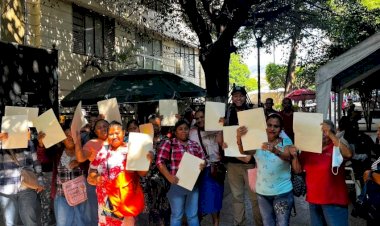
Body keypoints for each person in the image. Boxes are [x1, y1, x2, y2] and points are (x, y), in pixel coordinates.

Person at [236, 113, 298, 226]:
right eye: (269, 125)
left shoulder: (286, 142)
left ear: (281, 129)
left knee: (282, 224)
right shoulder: (258, 142)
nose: (272, 128)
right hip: (262, 193)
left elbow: (288, 157)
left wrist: (274, 150)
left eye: (276, 126)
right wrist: (239, 137)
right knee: (267, 223)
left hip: (282, 192)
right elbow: (244, 151)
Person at [88, 121, 151, 226]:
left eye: (117, 133)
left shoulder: (131, 150)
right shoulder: (102, 151)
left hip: (125, 201)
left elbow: (142, 173)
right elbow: (91, 173)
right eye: (111, 134)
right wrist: (96, 177)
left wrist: (147, 161)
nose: (114, 136)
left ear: (124, 132)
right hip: (105, 201)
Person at [222, 85, 263, 226]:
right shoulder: (227, 113)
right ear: (232, 98)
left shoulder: (252, 112)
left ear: (245, 97)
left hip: (250, 163)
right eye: (235, 96)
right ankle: (239, 223)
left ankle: (260, 223)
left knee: (255, 198)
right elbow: (224, 135)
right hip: (232, 163)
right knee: (237, 197)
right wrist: (223, 142)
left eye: (241, 95)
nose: (238, 98)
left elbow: (259, 135)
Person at [299, 120, 353, 226]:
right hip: (314, 201)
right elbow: (298, 169)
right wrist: (294, 155)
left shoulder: (336, 146)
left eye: (324, 131)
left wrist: (331, 135)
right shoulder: (309, 149)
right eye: (319, 132)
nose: (322, 135)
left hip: (334, 201)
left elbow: (348, 154)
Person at [156, 120, 206, 226]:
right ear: (175, 131)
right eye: (180, 129)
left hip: (193, 185)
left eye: (186, 129)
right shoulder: (170, 143)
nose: (184, 131)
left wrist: (203, 164)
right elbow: (160, 161)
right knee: (177, 215)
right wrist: (169, 176)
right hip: (176, 185)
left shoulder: (194, 144)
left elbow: (203, 159)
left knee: (192, 215)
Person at [0, 130, 44, 226]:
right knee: (9, 223)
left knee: (30, 221)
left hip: (26, 186)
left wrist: (40, 181)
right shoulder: (1, 142)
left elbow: (36, 162)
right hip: (6, 189)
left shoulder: (28, 141)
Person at [189, 109, 224, 226]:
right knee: (200, 200)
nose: (199, 120)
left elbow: (225, 146)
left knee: (215, 199)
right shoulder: (192, 132)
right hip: (200, 169)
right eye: (197, 118)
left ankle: (216, 222)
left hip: (215, 169)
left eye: (202, 117)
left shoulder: (218, 129)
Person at [74, 118, 110, 226]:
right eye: (99, 127)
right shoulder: (92, 143)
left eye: (105, 126)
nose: (103, 129)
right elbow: (80, 158)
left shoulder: (117, 142)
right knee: (96, 216)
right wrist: (77, 141)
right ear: (95, 132)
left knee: (113, 216)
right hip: (95, 185)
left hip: (113, 185)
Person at [51, 124, 88, 226]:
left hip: (82, 196)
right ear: (62, 140)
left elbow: (92, 165)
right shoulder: (57, 153)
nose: (69, 137)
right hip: (62, 196)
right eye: (66, 135)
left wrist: (79, 162)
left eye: (72, 135)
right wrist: (41, 144)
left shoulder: (84, 152)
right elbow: (43, 157)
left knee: (82, 223)